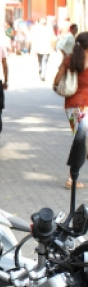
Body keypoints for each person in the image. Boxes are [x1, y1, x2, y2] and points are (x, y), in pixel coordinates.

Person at [53, 31, 88, 188]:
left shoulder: (69, 59)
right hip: (85, 106)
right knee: (81, 142)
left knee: (80, 140)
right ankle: (71, 179)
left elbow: (56, 81)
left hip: (71, 106)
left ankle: (72, 178)